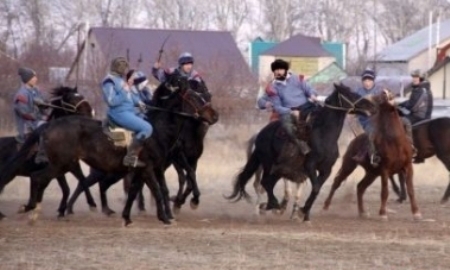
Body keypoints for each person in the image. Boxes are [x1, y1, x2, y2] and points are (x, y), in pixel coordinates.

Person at [257, 59, 319, 155]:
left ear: (286, 70)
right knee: (287, 125)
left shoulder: (298, 79)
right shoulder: (273, 87)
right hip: (288, 110)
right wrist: (291, 112)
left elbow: (310, 89)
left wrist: (312, 95)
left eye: (280, 70)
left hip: (305, 106)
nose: (278, 72)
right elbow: (277, 106)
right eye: (275, 70)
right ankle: (301, 144)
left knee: (321, 114)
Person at [101, 57, 153, 168]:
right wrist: (127, 88)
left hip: (128, 111)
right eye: (121, 65)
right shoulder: (108, 81)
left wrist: (139, 103)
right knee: (147, 128)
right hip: (118, 113)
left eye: (124, 65)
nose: (124, 68)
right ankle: (130, 157)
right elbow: (112, 101)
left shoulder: (120, 80)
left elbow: (128, 97)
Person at [13, 67, 49, 164]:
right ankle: (41, 155)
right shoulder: (21, 94)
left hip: (37, 121)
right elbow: (25, 114)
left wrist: (46, 111)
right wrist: (41, 118)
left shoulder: (36, 91)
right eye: (33, 77)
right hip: (27, 125)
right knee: (45, 128)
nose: (36, 79)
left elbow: (43, 106)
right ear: (27, 79)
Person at [398, 69, 433, 163]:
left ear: (421, 78)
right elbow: (410, 102)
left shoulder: (421, 90)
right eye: (413, 77)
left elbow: (413, 106)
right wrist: (400, 104)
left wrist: (401, 105)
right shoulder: (420, 88)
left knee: (401, 122)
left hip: (420, 116)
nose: (414, 79)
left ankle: (410, 146)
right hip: (419, 114)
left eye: (416, 77)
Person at [352, 69, 384, 166]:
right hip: (365, 120)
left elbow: (383, 104)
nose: (367, 83)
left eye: (369, 81)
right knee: (370, 133)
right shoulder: (358, 92)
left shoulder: (379, 91)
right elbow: (354, 107)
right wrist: (362, 112)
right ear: (362, 81)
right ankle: (373, 156)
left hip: (379, 119)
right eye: (365, 81)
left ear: (373, 81)